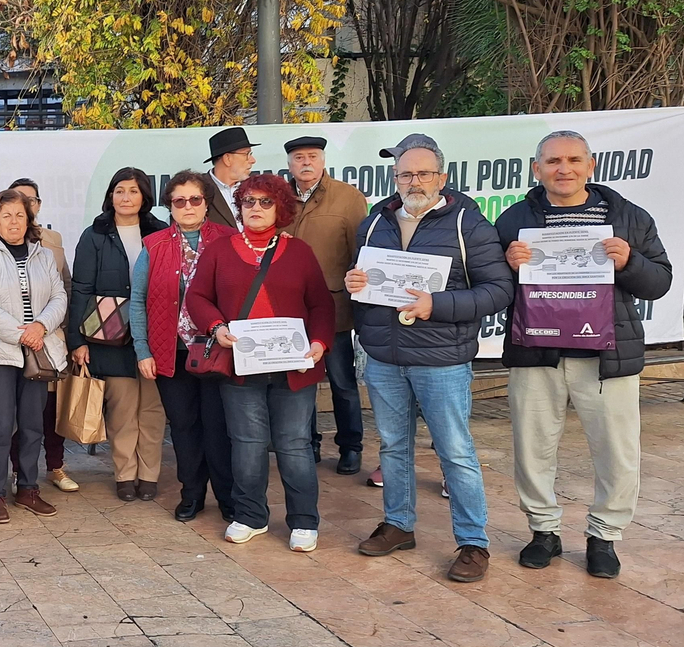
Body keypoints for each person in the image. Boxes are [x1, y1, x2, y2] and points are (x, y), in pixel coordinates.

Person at [496, 131, 672, 579]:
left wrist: (630, 261)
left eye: (574, 160)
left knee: (617, 450)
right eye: (553, 161)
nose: (564, 169)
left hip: (607, 355)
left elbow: (660, 282)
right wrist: (508, 266)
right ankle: (543, 531)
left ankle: (604, 535)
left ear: (591, 166)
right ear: (536, 169)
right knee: (532, 447)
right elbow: (491, 287)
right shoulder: (514, 219)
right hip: (537, 350)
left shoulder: (629, 217)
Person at [344, 134, 512, 583]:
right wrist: (354, 283)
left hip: (442, 359)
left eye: (423, 173)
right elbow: (363, 282)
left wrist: (436, 305)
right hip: (384, 356)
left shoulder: (468, 225)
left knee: (455, 451)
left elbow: (498, 290)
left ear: (442, 177)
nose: (413, 181)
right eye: (405, 174)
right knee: (393, 446)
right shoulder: (375, 223)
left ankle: (473, 542)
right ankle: (398, 525)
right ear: (394, 177)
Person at [187, 173, 335, 550]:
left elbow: (321, 304)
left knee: (294, 444)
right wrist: (216, 326)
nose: (256, 208)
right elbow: (197, 297)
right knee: (247, 444)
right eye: (248, 201)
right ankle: (251, 516)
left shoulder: (299, 252)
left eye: (265, 201)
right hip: (241, 366)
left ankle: (304, 520)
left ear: (280, 208)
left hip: (293, 367)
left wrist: (319, 342)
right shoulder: (219, 251)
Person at [131, 170, 237, 523]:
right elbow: (138, 300)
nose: (188, 206)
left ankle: (227, 497)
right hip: (171, 352)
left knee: (219, 427)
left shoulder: (228, 239)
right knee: (184, 427)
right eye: (179, 201)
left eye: (195, 199)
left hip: (218, 351)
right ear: (169, 206)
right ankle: (192, 494)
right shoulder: (154, 244)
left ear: (206, 203)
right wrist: (143, 350)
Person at [70, 167, 168, 501]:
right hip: (109, 337)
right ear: (110, 196)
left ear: (145, 197)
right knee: (122, 410)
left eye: (133, 191)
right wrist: (77, 340)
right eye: (120, 191)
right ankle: (125, 474)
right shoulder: (94, 235)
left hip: (154, 335)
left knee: (152, 410)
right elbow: (80, 289)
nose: (126, 198)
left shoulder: (161, 231)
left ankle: (149, 474)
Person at [0, 188, 68, 523]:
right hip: (0, 351)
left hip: (38, 351)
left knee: (32, 424)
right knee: (1, 424)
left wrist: (40, 327)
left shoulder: (43, 255)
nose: (13, 222)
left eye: (20, 215)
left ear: (29, 220)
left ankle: (28, 488)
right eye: (6, 216)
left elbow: (59, 297)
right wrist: (20, 333)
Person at [281, 135, 370, 475]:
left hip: (334, 308)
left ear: (323, 161)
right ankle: (308, 443)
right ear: (289, 164)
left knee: (342, 382)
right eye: (299, 157)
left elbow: (359, 254)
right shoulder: (279, 198)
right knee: (298, 381)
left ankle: (350, 446)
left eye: (313, 156)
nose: (306, 163)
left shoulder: (348, 197)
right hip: (289, 309)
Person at [7, 178, 78, 493]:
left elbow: (66, 287)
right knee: (16, 411)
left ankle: (55, 466)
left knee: (50, 407)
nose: (26, 205)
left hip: (49, 337)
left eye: (31, 200)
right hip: (12, 338)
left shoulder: (53, 239)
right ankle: (17, 471)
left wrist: (62, 332)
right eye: (18, 199)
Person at [203, 127, 257, 231]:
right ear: (227, 159)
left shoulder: (256, 187)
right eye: (246, 154)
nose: (253, 160)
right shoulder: (198, 189)